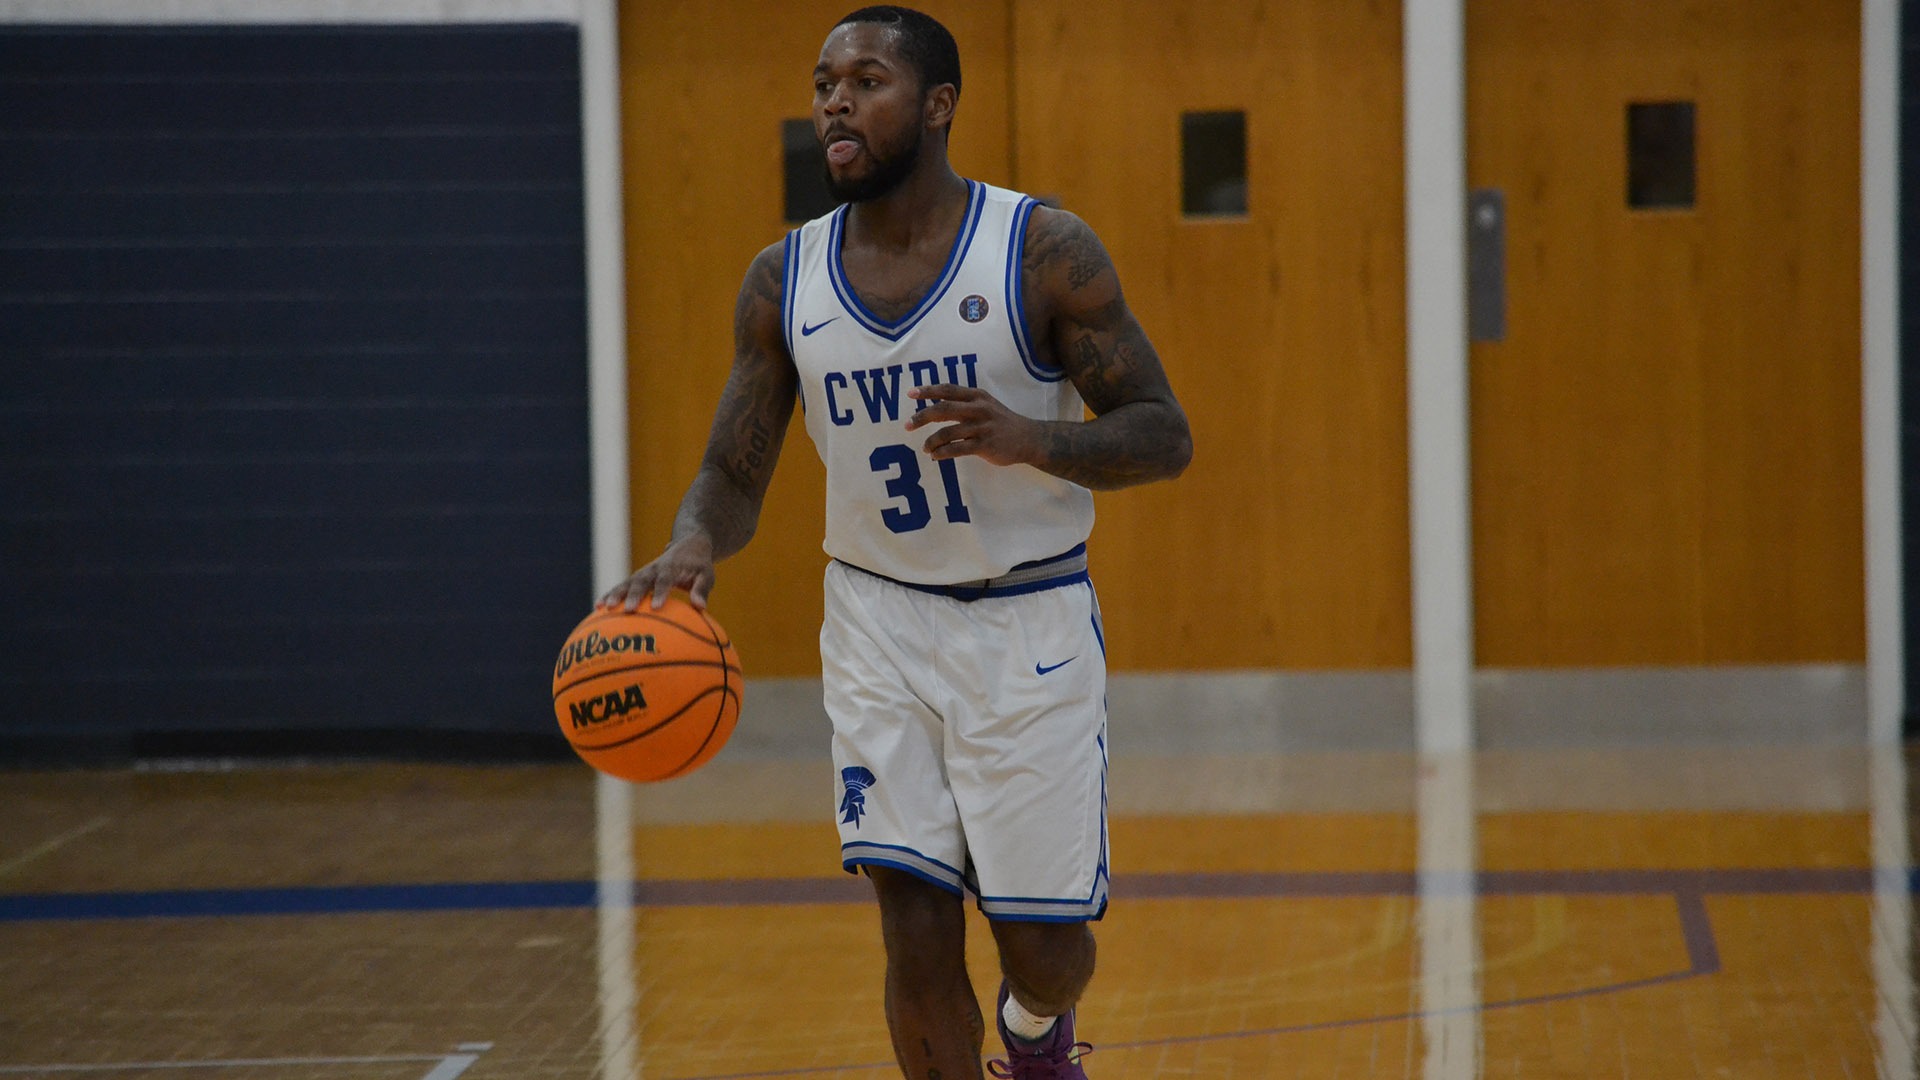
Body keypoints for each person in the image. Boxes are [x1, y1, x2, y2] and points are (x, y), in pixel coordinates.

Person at [600, 7, 1191, 1077]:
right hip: (877, 622)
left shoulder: (1042, 250)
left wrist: (1033, 438)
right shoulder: (786, 281)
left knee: (1045, 948)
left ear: (937, 106)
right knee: (911, 922)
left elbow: (1164, 435)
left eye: (866, 80)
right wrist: (696, 543)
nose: (833, 99)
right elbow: (737, 468)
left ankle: (1035, 1031)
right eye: (824, 81)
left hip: (1028, 622)